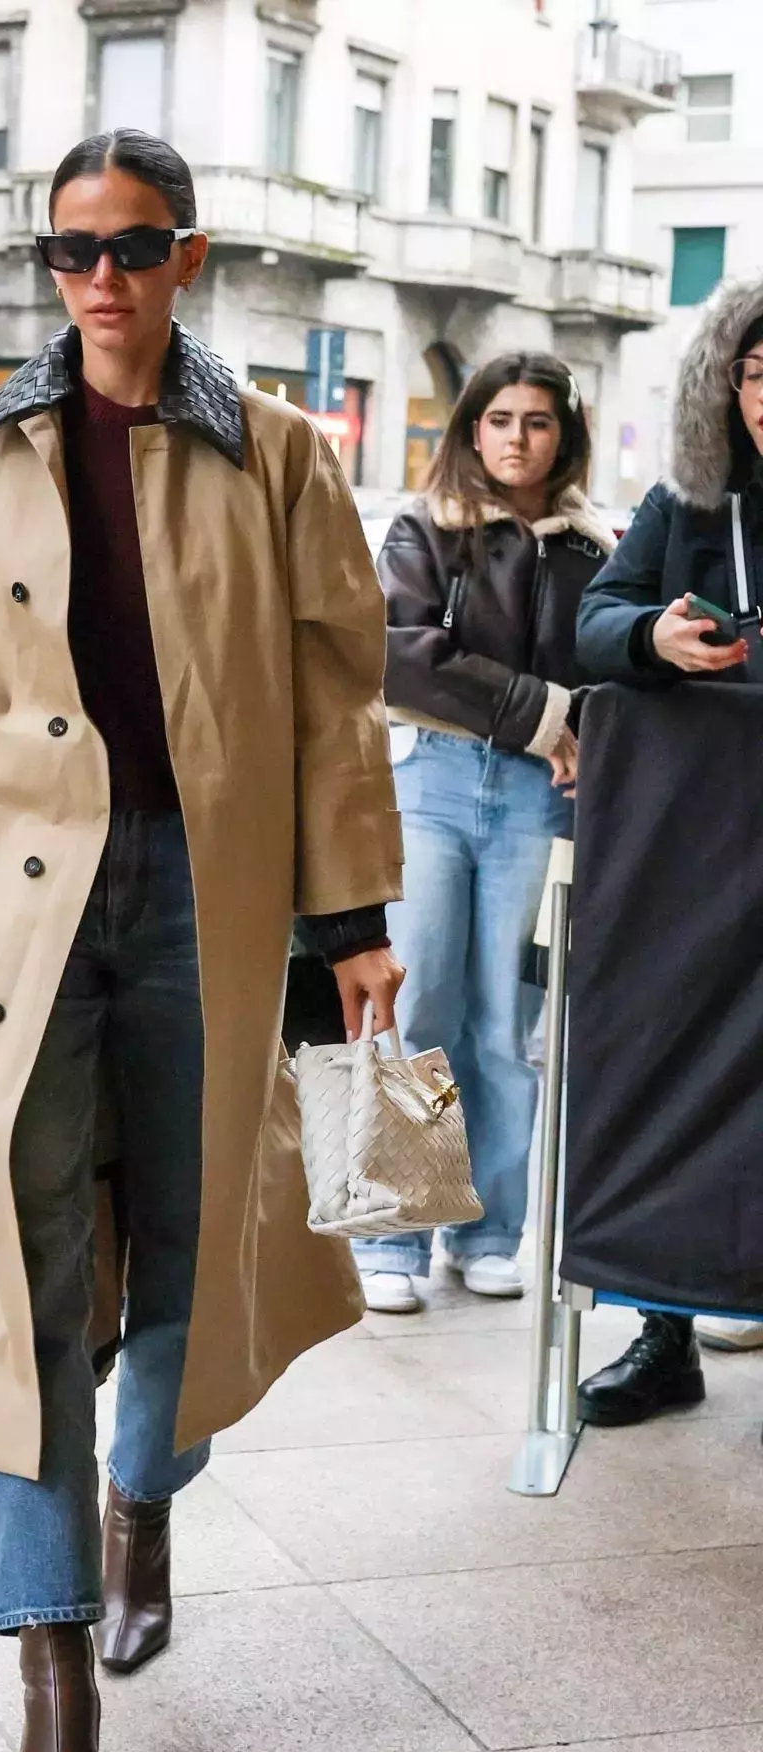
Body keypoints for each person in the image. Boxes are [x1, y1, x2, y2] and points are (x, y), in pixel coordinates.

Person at [0, 129, 404, 1752]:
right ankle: (54, 1667)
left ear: (190, 259)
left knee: (193, 1232)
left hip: (204, 896)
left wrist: (355, 909)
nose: (101, 278)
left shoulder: (280, 455)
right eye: (72, 249)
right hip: (21, 903)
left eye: (135, 246)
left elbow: (333, 701)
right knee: (30, 1275)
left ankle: (144, 1494)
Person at [355, 353, 614, 1314]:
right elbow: (406, 660)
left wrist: (577, 726)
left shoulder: (593, 546)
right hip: (430, 781)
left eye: (538, 421)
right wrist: (553, 714)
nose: (516, 437)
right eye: (498, 419)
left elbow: (612, 669)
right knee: (418, 1009)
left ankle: (490, 1232)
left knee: (506, 1025)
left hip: (538, 800)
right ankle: (393, 1237)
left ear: (564, 435)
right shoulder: (426, 529)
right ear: (471, 430)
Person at [572, 277, 763, 1424]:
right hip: (695, 849)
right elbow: (593, 621)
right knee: (671, 1066)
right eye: (753, 374)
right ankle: (662, 1332)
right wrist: (654, 634)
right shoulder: (686, 505)